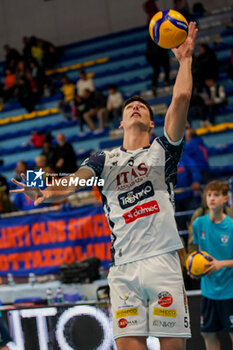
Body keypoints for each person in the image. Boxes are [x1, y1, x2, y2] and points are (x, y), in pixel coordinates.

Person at [10, 23, 198, 350]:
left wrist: (185, 61)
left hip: (164, 261)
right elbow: (71, 184)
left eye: (142, 106)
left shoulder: (163, 151)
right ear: (121, 121)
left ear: (152, 122)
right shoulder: (103, 162)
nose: (136, 106)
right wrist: (38, 185)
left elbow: (181, 97)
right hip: (123, 268)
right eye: (129, 107)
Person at [192, 180, 233, 350]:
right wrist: (194, 270)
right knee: (208, 334)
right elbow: (198, 254)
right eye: (209, 195)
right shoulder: (198, 224)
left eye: (216, 195)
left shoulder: (231, 226)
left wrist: (221, 264)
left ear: (225, 199)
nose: (212, 198)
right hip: (208, 292)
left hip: (229, 291)